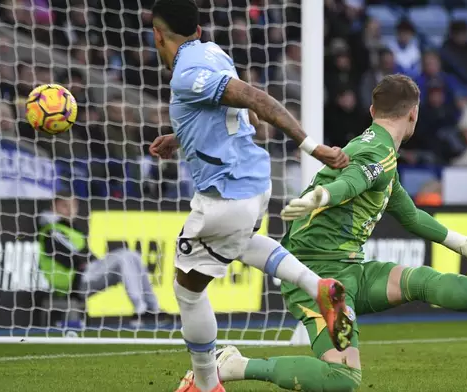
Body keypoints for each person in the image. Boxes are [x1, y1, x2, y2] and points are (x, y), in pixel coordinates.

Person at [179, 75, 467, 392]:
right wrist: (322, 196)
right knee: (343, 378)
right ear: (413, 115)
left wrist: (460, 243)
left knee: (419, 280)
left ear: (372, 111)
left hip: (350, 267)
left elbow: (409, 215)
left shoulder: (380, 150)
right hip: (316, 274)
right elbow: (353, 182)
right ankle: (235, 365)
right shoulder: (377, 154)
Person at [146, 2, 352, 392]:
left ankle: (206, 384)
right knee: (239, 243)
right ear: (198, 28)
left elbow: (258, 101)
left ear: (157, 34)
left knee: (187, 291)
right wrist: (181, 137)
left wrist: (313, 148)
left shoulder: (186, 73)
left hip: (225, 194)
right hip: (255, 185)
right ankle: (318, 287)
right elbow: (243, 117)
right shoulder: (213, 52)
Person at [37, 190, 172, 327]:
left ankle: (152, 308)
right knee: (124, 256)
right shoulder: (52, 229)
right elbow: (72, 258)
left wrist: (91, 262)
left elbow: (84, 255)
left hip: (83, 276)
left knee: (132, 255)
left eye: (73, 205)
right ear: (54, 207)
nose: (70, 210)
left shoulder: (70, 228)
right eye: (65, 206)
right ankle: (140, 309)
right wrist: (90, 263)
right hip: (71, 281)